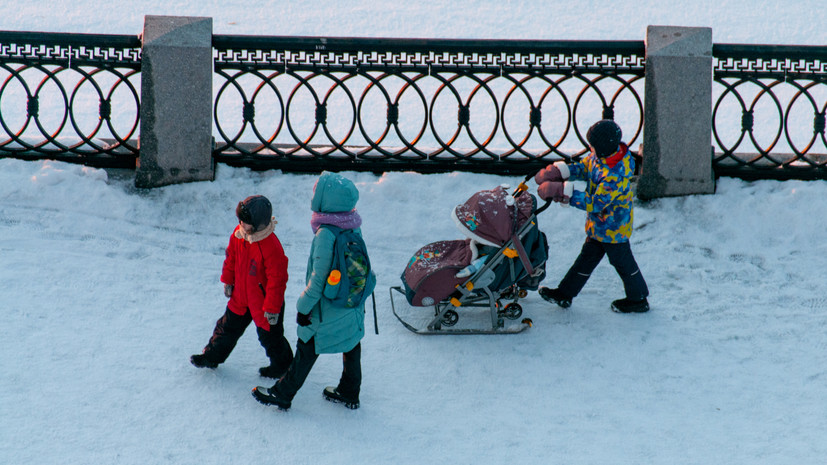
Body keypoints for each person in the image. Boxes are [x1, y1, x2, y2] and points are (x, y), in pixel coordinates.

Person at [253, 171, 366, 410]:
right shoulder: (352, 224)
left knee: (307, 347)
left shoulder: (326, 234)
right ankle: (349, 391)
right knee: (351, 343)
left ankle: (282, 394)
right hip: (350, 303)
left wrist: (302, 308)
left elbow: (317, 281)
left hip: (326, 308)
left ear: (327, 200)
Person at [535, 119, 649, 313]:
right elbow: (586, 168)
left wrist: (563, 192)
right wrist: (562, 172)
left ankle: (638, 298)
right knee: (586, 259)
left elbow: (595, 203)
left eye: (593, 146)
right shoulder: (602, 157)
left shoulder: (615, 175)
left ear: (603, 147)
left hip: (614, 229)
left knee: (622, 263)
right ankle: (565, 294)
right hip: (599, 227)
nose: (591, 149)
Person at [190, 195, 293, 378]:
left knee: (271, 338)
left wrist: (272, 309)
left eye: (244, 221)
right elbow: (231, 258)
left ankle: (283, 365)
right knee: (226, 327)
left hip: (264, 303)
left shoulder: (271, 247)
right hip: (241, 296)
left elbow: (278, 281)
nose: (240, 224)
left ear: (258, 223)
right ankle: (212, 356)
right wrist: (228, 280)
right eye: (240, 220)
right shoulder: (238, 235)